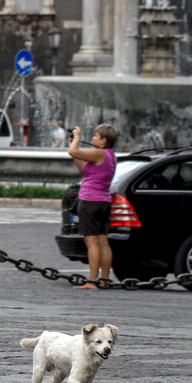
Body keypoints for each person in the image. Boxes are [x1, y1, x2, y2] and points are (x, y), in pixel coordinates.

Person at [68, 124, 119, 289]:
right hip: (103, 201)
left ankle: (92, 281)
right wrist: (73, 144)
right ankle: (103, 279)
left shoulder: (98, 153)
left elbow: (73, 152)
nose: (92, 138)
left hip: (90, 201)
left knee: (92, 242)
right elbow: (85, 169)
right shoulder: (110, 155)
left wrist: (76, 137)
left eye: (95, 136)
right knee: (103, 241)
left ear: (103, 140)